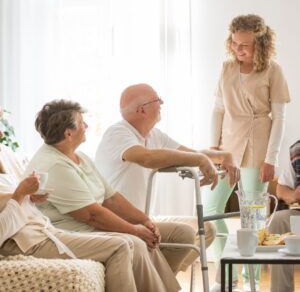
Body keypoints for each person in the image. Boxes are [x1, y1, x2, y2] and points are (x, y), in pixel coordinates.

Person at [24, 99, 196, 280]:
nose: (87, 126)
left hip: (94, 226)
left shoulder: (79, 156)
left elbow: (111, 198)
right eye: (82, 123)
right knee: (136, 241)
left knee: (182, 234)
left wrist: (145, 220)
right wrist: (135, 230)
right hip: (78, 233)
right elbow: (92, 215)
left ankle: (155, 282)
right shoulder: (54, 165)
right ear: (68, 133)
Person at [95, 83, 240, 272]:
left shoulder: (153, 134)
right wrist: (199, 159)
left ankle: (159, 280)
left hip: (144, 217)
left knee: (207, 229)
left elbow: (190, 153)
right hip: (119, 221)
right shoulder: (118, 133)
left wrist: (224, 156)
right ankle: (157, 282)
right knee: (186, 234)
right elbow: (147, 158)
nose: (162, 102)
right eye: (157, 99)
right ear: (142, 110)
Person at [204, 14, 290, 291]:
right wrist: (213, 149)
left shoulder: (272, 71)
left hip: (259, 144)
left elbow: (279, 118)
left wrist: (271, 158)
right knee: (211, 209)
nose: (238, 49)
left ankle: (250, 281)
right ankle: (227, 276)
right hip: (228, 146)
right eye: (235, 43)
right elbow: (217, 110)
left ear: (260, 44)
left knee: (252, 216)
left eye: (245, 45)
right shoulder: (226, 68)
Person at [0, 173, 180, 292]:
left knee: (130, 241)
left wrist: (29, 198)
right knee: (120, 246)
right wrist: (20, 194)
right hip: (27, 243)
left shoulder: (5, 175)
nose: (2, 133)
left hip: (45, 233)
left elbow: (14, 206)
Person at [269, 140, 300, 292]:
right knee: (278, 220)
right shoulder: (297, 149)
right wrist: (294, 195)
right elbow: (281, 188)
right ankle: (281, 289)